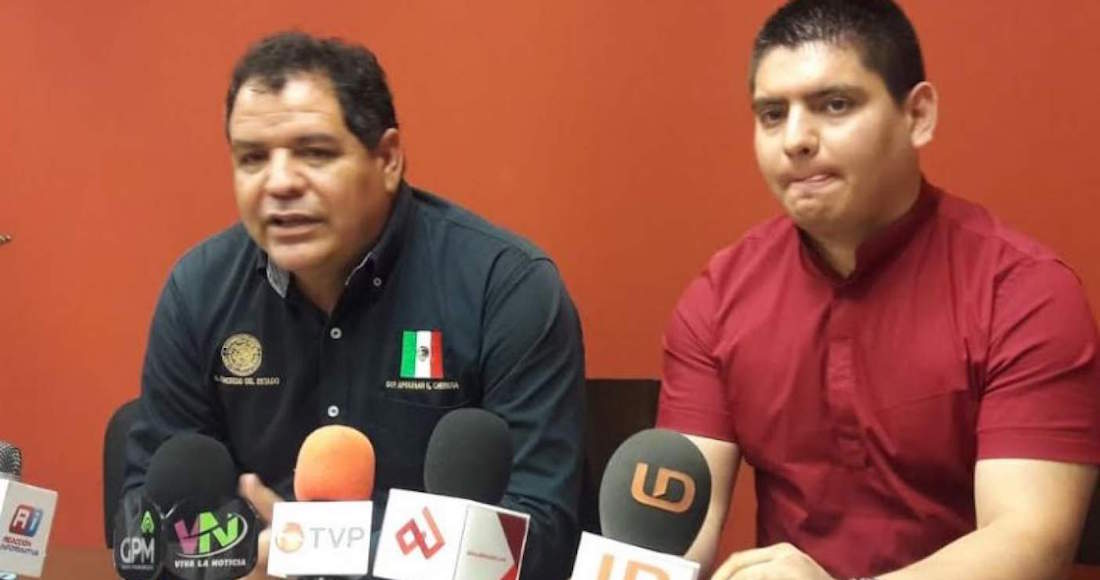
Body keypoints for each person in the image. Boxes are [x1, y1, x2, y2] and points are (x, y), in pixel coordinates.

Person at [657, 1, 1100, 578]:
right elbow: (675, 533)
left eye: (834, 105)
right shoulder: (719, 297)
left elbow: (1030, 541)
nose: (795, 139)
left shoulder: (1022, 292)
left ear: (918, 115)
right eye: (772, 114)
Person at [122, 31, 585, 579]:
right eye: (252, 159)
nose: (279, 183)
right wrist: (232, 551)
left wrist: (313, 553)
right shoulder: (198, 291)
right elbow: (144, 528)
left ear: (387, 159)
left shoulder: (504, 289)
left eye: (315, 153)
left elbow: (540, 532)